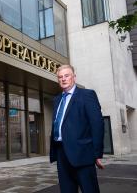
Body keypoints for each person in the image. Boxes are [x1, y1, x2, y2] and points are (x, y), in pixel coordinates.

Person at [50, 64, 105, 193]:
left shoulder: (87, 95)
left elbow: (97, 124)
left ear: (74, 77)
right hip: (61, 153)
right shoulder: (57, 99)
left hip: (82, 154)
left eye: (66, 76)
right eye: (60, 77)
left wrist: (97, 153)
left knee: (89, 190)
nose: (63, 79)